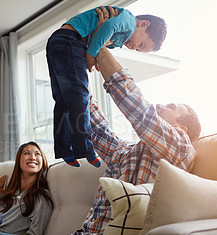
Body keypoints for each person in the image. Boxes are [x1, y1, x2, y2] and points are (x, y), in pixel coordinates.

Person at [0, 8, 200, 235]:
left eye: (173, 106)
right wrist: (75, 68)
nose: (163, 104)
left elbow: (136, 106)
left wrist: (101, 40)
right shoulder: (128, 154)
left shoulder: (180, 147)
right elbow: (92, 122)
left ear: (182, 128)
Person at [46, 5, 167, 168]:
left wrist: (94, 51)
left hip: (59, 41)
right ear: (143, 24)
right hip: (70, 40)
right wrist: (90, 56)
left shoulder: (120, 37)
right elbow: (106, 29)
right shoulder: (129, 20)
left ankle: (64, 150)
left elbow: (98, 37)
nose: (135, 48)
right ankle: (85, 150)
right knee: (80, 97)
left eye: (139, 50)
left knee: (63, 100)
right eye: (141, 44)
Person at [0, 141, 53, 235]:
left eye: (37, 154)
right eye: (27, 153)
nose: (32, 157)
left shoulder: (41, 197)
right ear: (18, 160)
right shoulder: (7, 194)